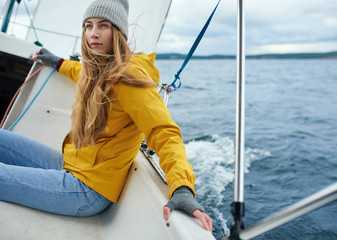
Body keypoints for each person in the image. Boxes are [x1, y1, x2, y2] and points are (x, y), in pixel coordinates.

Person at [0, 0, 212, 233]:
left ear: (117, 32)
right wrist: (57, 62)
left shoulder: (128, 77)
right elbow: (80, 72)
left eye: (103, 26)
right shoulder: (99, 68)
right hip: (71, 164)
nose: (93, 33)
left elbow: (163, 130)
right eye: (88, 26)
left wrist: (182, 187)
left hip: (86, 190)